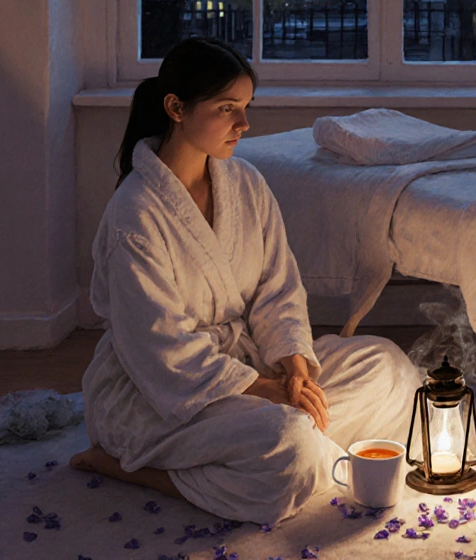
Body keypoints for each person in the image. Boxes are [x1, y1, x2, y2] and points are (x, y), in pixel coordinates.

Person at [70, 38, 421, 524]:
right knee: (290, 446)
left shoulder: (246, 184)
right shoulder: (135, 215)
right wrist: (269, 391)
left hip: (254, 365)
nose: (245, 124)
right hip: (161, 391)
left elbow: (277, 290)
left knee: (391, 369)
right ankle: (132, 467)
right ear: (176, 107)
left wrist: (294, 367)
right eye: (227, 108)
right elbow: (158, 349)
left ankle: (292, 456)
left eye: (246, 107)